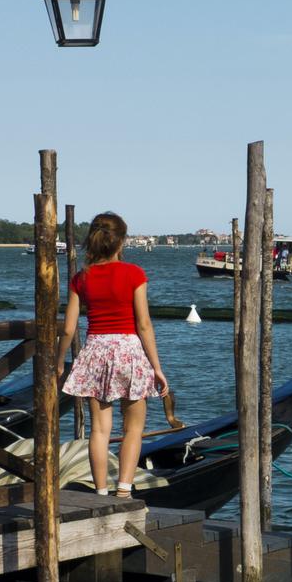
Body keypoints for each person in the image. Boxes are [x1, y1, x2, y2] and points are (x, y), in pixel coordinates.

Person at [56, 212, 169, 498]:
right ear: (121, 242)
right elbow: (144, 324)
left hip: (96, 351)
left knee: (100, 430)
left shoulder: (81, 278)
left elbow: (69, 328)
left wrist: (59, 362)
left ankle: (101, 493)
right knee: (133, 429)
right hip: (129, 351)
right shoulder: (134, 274)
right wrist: (156, 367)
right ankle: (124, 490)